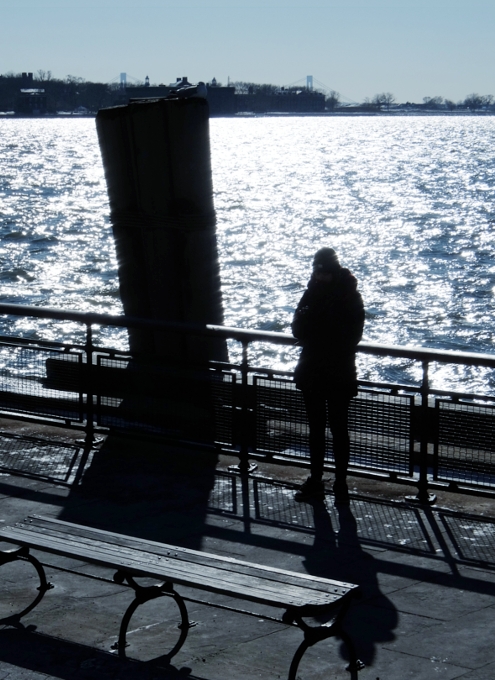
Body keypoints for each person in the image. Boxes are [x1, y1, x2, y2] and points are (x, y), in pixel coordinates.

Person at [291, 247, 365, 504]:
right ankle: (318, 479)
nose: (320, 277)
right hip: (319, 369)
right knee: (317, 429)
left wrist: (315, 330)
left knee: (337, 428)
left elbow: (351, 335)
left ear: (333, 272)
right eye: (317, 272)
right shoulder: (313, 294)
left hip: (335, 370)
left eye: (324, 272)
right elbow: (296, 328)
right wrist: (319, 330)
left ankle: (340, 482)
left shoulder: (348, 296)